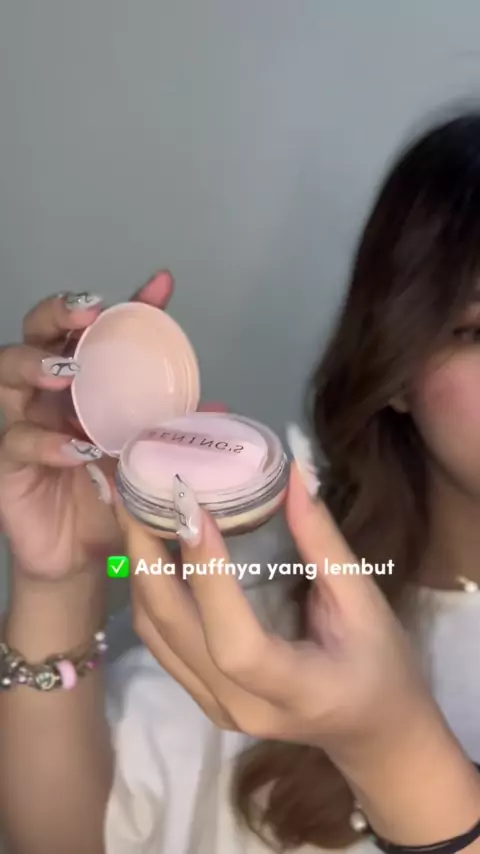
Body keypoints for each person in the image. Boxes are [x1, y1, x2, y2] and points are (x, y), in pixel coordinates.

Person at [1, 112, 480, 854]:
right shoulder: (260, 611)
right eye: (478, 331)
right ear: (396, 369)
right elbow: (68, 841)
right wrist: (61, 581)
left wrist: (394, 750)